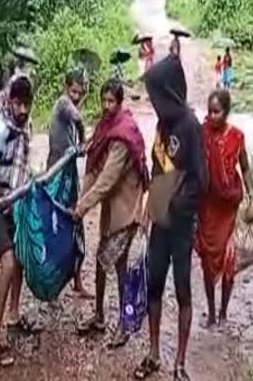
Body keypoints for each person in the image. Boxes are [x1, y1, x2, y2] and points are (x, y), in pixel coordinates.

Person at [135, 56, 208, 381]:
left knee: (182, 290)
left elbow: (200, 180)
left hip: (180, 224)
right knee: (153, 284)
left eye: (156, 95)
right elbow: (156, 167)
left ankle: (179, 361)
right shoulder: (163, 126)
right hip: (160, 222)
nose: (153, 101)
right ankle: (153, 352)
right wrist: (149, 204)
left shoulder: (191, 127)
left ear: (169, 92)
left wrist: (178, 203)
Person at [73, 78, 149, 349]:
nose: (106, 106)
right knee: (104, 263)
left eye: (111, 102)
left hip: (126, 208)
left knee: (116, 266)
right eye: (103, 100)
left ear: (120, 102)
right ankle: (100, 316)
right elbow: (94, 158)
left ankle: (124, 323)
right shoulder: (108, 127)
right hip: (113, 208)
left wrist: (81, 207)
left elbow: (106, 179)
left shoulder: (122, 136)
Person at [0, 75, 37, 367]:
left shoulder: (25, 125)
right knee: (9, 263)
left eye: (27, 104)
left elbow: (22, 164)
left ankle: (13, 314)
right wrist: (8, 202)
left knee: (22, 256)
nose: (23, 110)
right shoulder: (1, 128)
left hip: (13, 198)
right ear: (9, 100)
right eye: (18, 103)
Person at [196, 89, 253, 328]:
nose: (212, 116)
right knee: (208, 261)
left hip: (229, 206)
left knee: (229, 259)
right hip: (207, 206)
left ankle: (223, 312)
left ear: (226, 112)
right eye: (209, 111)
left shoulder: (237, 137)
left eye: (217, 112)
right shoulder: (201, 134)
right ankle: (211, 312)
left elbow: (245, 167)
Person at [47, 68, 92, 299]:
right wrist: (83, 139)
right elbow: (79, 118)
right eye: (73, 91)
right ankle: (54, 281)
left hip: (67, 171)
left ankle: (76, 280)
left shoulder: (68, 104)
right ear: (66, 88)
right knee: (57, 223)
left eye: (79, 92)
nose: (76, 96)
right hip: (56, 173)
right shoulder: (64, 104)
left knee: (74, 220)